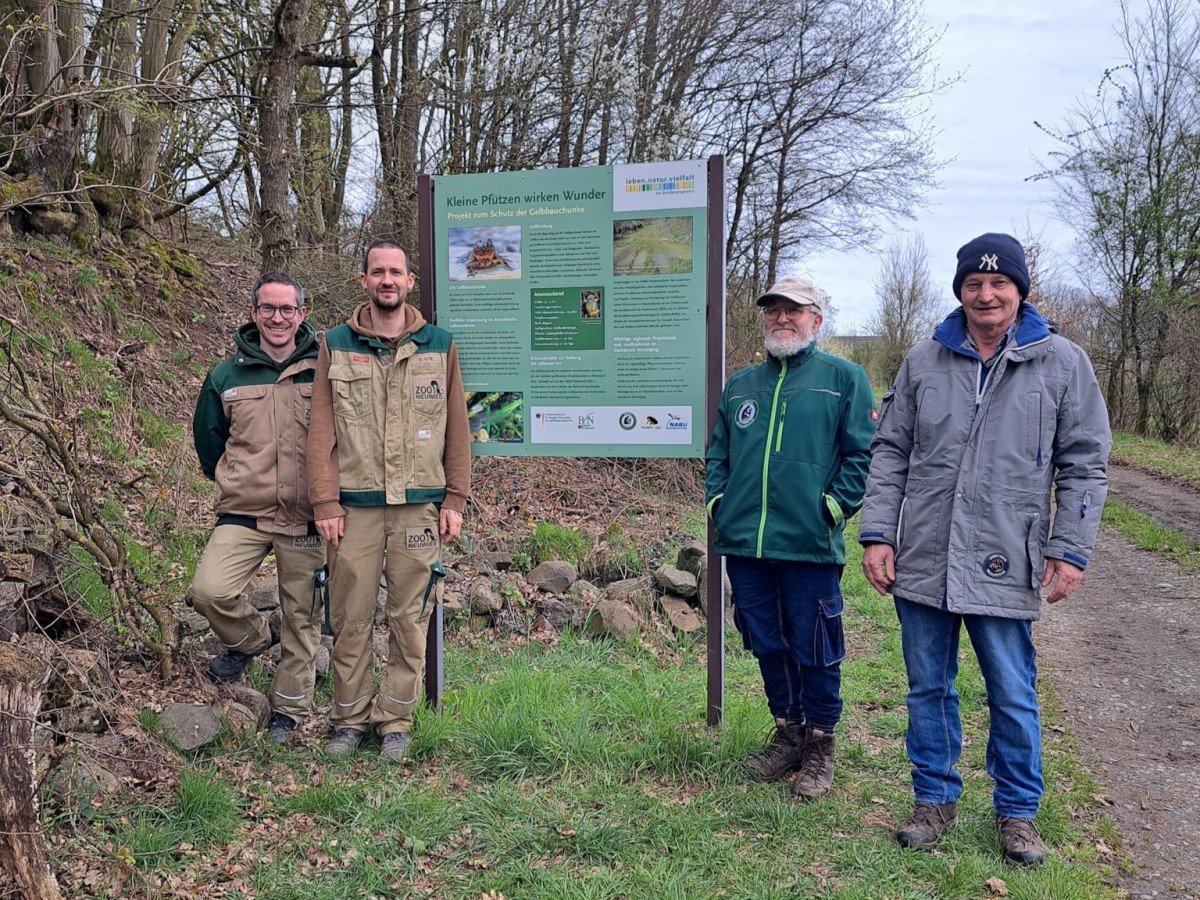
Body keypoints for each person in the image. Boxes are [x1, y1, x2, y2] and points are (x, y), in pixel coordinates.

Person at [859, 233, 1112, 867]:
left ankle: (1018, 814)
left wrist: (1070, 549)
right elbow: (890, 452)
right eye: (974, 283)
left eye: (999, 283)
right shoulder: (924, 361)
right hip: (924, 554)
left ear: (1021, 291)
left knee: (1013, 691)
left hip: (1009, 553)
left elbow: (1084, 464)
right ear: (961, 292)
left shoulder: (1060, 363)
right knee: (927, 689)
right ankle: (934, 800)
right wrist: (878, 532)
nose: (986, 293)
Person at [705, 276, 876, 800]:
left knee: (816, 646)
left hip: (809, 542)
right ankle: (788, 733)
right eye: (774, 309)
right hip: (748, 546)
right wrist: (719, 504)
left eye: (794, 311)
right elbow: (718, 455)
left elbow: (862, 456)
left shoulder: (844, 378)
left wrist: (832, 508)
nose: (782, 318)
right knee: (766, 642)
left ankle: (821, 743)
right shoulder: (741, 386)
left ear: (816, 321)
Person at [308, 239, 471, 763]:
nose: (386, 280)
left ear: (409, 282)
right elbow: (320, 435)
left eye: (395, 272)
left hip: (420, 508)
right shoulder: (334, 344)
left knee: (410, 619)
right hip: (353, 510)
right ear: (363, 281)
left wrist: (456, 498)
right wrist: (325, 503)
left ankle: (395, 720)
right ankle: (349, 718)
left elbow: (458, 432)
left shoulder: (439, 345)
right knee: (350, 618)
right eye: (377, 272)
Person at [189, 272, 326, 745]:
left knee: (302, 615)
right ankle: (249, 639)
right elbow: (209, 444)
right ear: (253, 313)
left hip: (307, 514)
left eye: (287, 309)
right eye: (267, 308)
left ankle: (288, 710)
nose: (277, 317)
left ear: (302, 314)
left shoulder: (325, 368)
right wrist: (237, 479)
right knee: (208, 591)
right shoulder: (225, 375)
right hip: (245, 511)